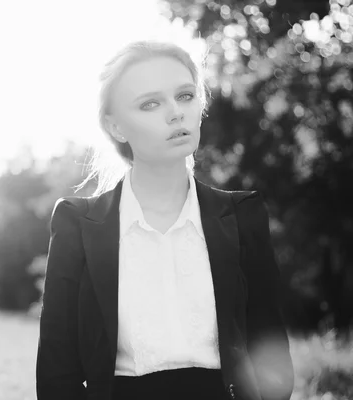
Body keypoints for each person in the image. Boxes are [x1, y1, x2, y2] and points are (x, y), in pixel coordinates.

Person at [35, 37, 294, 400]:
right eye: (150, 103)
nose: (176, 112)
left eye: (185, 96)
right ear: (115, 127)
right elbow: (56, 375)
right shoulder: (77, 224)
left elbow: (272, 359)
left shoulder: (242, 215)